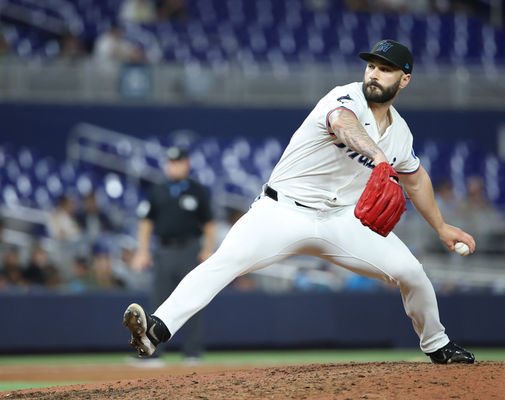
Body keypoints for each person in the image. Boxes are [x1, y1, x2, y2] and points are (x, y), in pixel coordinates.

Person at [124, 40, 476, 364]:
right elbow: (342, 125)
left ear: (404, 80)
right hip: (282, 211)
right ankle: (156, 330)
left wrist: (442, 227)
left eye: (385, 69)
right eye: (371, 65)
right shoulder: (345, 98)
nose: (373, 73)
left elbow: (416, 179)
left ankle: (437, 345)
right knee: (225, 261)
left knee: (412, 272)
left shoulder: (400, 133)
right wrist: (380, 158)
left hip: (341, 220)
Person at [131, 146, 216, 362]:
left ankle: (193, 352)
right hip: (164, 250)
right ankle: (153, 353)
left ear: (186, 164)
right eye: (170, 162)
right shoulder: (158, 190)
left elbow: (208, 223)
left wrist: (208, 249)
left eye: (177, 162)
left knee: (194, 299)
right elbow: (146, 222)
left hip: (190, 250)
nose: (173, 166)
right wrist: (142, 251)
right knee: (158, 301)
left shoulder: (197, 190)